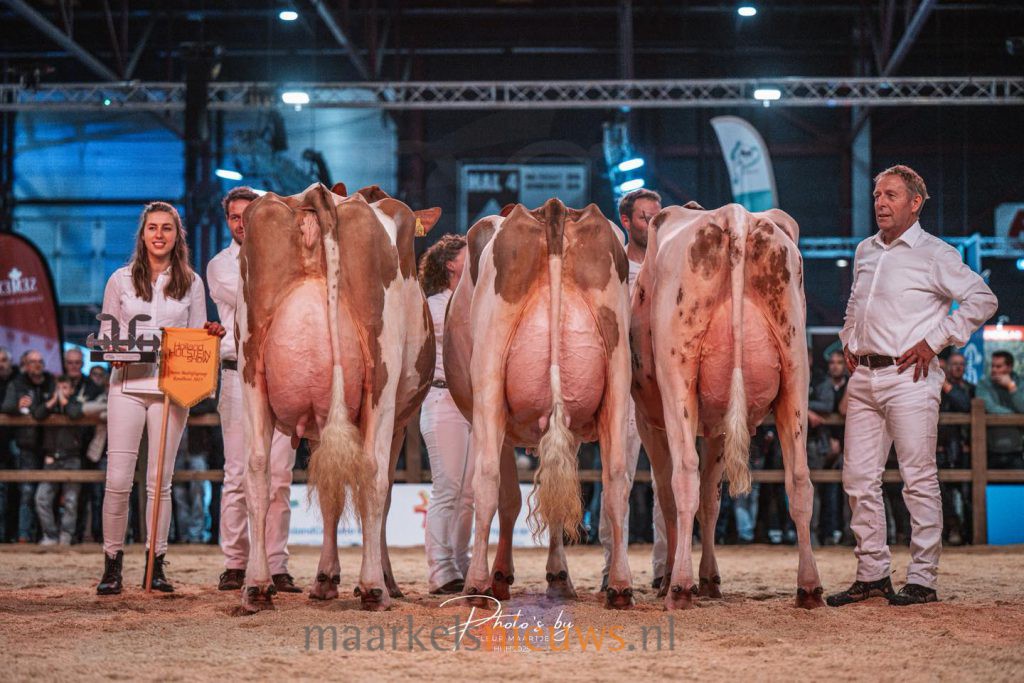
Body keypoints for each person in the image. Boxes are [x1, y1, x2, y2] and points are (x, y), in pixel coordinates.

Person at [829, 165, 997, 607]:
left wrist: (935, 341)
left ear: (915, 202)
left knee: (917, 479)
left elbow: (983, 298)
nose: (880, 203)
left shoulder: (935, 253)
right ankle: (872, 574)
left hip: (911, 378)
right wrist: (849, 338)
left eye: (891, 196)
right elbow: (855, 303)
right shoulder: (866, 250)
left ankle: (922, 579)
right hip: (864, 377)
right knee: (858, 479)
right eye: (877, 195)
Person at [95, 201, 224, 596]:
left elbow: (199, 334)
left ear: (176, 235)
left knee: (159, 482)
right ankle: (112, 563)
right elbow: (106, 335)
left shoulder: (192, 282)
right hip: (127, 386)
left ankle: (156, 563)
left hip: (172, 389)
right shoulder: (119, 280)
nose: (159, 234)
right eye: (152, 227)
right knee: (117, 481)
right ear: (143, 233)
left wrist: (212, 334)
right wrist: (111, 349)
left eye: (167, 228)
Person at [207, 186, 300, 593]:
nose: (241, 223)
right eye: (234, 217)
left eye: (249, 215)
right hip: (235, 370)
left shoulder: (286, 259)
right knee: (237, 472)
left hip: (282, 372)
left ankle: (276, 563)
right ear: (227, 222)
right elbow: (256, 298)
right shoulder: (220, 265)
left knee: (279, 475)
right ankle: (236, 561)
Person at [600, 188, 667, 590]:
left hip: (659, 385)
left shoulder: (668, 268)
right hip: (622, 388)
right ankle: (615, 566)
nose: (653, 225)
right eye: (645, 218)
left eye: (657, 218)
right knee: (616, 476)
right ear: (626, 221)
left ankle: (666, 566)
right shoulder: (612, 269)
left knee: (669, 479)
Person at [418, 234, 474, 595]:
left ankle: (461, 561)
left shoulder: (472, 302)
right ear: (451, 263)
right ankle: (441, 569)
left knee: (470, 493)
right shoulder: (435, 306)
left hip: (472, 404)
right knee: (449, 488)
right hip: (443, 400)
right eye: (468, 256)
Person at [1, 350, 54, 543]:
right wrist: (17, 405)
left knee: (48, 494)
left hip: (50, 446)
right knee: (26, 492)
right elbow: (6, 407)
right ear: (25, 364)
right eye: (33, 362)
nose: (37, 365)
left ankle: (45, 535)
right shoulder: (17, 383)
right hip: (26, 445)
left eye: (40, 361)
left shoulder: (51, 382)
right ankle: (24, 535)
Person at [34, 374, 84, 545]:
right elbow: (37, 414)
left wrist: (63, 401)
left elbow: (75, 414)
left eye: (65, 388)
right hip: (51, 458)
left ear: (71, 389)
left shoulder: (76, 402)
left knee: (71, 501)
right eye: (58, 387)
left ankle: (66, 535)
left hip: (72, 458)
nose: (61, 391)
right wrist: (53, 400)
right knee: (42, 498)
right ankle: (50, 535)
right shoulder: (49, 404)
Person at [808, 350, 848, 546]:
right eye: (832, 362)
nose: (835, 366)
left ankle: (846, 534)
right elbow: (826, 405)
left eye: (839, 362)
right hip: (821, 444)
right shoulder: (820, 385)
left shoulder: (853, 385)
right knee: (815, 492)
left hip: (847, 445)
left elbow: (842, 410)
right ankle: (816, 534)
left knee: (846, 492)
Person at [938, 352, 974, 544]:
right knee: (941, 492)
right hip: (942, 450)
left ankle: (969, 533)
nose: (957, 368)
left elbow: (966, 406)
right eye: (954, 365)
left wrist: (945, 384)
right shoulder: (936, 390)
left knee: (968, 495)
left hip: (967, 450)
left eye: (961, 364)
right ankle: (952, 527)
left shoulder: (970, 389)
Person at [976, 351, 1024, 469]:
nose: (994, 370)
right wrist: (1016, 416)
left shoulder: (1020, 383)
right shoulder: (984, 384)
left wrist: (1011, 387)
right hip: (991, 448)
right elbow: (990, 407)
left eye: (998, 366)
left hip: (1017, 447)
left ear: (1009, 367)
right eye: (992, 366)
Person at [0, 347, 18, 543]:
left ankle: (8, 535)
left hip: (13, 444)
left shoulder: (17, 381)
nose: (1, 363)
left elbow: (9, 406)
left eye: (4, 359)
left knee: (14, 494)